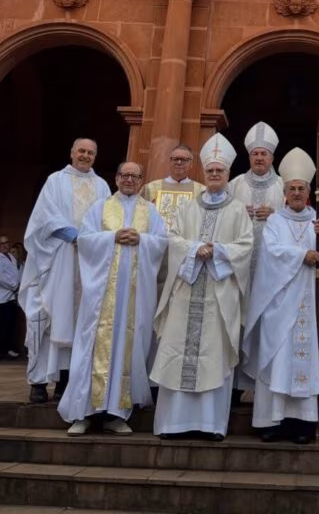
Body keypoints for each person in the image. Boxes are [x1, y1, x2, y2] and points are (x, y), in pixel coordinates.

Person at [150, 133, 253, 440]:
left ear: (228, 174)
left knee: (214, 355)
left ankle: (210, 425)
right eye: (210, 171)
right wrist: (196, 249)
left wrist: (217, 251)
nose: (215, 175)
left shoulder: (238, 210)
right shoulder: (188, 208)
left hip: (220, 294)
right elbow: (173, 238)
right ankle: (173, 424)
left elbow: (245, 246)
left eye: (219, 171)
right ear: (204, 173)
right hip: (187, 289)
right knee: (177, 352)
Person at [58, 162, 167, 435]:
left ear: (141, 180)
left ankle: (117, 414)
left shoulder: (151, 211)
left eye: (135, 176)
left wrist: (142, 239)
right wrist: (112, 237)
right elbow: (84, 239)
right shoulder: (99, 208)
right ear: (116, 178)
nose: (129, 179)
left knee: (127, 349)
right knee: (91, 348)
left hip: (134, 299)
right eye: (124, 175)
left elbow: (162, 242)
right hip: (100, 298)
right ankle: (83, 414)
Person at [243, 147, 319, 444]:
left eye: (301, 188)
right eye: (292, 189)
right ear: (284, 193)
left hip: (313, 306)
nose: (297, 193)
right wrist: (302, 256)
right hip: (281, 305)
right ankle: (272, 421)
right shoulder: (275, 222)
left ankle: (304, 423)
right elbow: (270, 253)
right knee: (279, 361)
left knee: (309, 360)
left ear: (309, 193)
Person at [19, 138, 110, 404]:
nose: (85, 155)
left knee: (79, 319)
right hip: (56, 257)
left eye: (90, 152)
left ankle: (65, 381)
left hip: (87, 261)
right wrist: (72, 234)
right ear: (72, 153)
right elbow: (45, 216)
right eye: (81, 151)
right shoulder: (55, 181)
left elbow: (108, 218)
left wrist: (92, 240)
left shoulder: (102, 186)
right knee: (45, 316)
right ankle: (38, 382)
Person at [229, 121, 284, 397]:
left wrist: (275, 215)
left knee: (265, 323)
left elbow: (297, 222)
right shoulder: (234, 185)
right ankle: (234, 387)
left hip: (269, 272)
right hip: (239, 271)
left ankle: (263, 387)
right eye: (255, 154)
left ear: (272, 157)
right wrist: (239, 213)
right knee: (236, 321)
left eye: (264, 153)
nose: (259, 158)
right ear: (249, 156)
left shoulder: (285, 187)